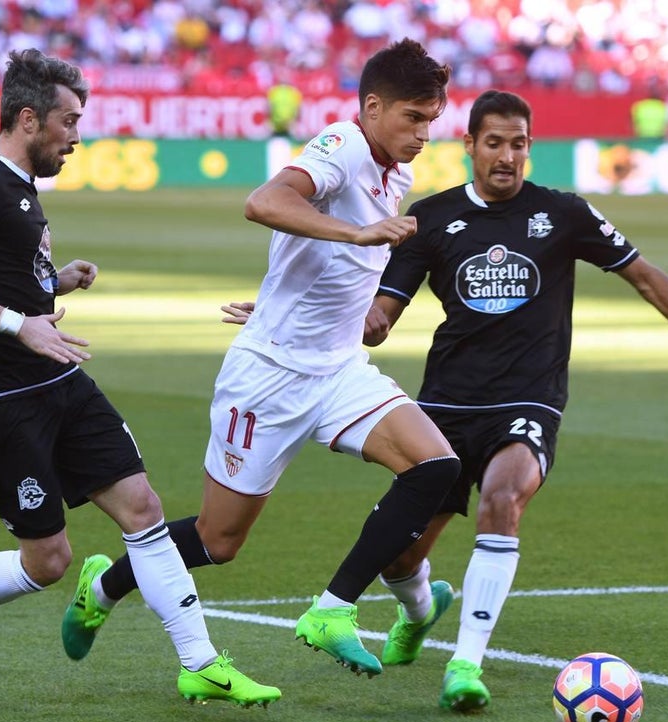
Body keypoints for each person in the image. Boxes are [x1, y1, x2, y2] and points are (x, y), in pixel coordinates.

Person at [361, 89, 668, 712]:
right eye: (494, 143)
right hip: (445, 404)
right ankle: (419, 610)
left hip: (530, 398)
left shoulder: (562, 213)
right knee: (397, 559)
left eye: (518, 144)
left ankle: (465, 664)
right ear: (469, 145)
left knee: (504, 498)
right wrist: (303, 318)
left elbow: (643, 274)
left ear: (530, 147)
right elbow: (379, 320)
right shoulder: (432, 218)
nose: (507, 156)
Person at [62, 38, 461, 680]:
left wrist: (292, 304)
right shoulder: (343, 144)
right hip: (270, 378)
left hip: (337, 369)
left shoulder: (397, 173)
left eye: (431, 120)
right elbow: (265, 203)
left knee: (436, 465)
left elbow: (331, 271)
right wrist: (356, 233)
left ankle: (332, 610)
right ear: (373, 107)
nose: (423, 134)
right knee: (218, 541)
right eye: (413, 118)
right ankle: (104, 586)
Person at [0, 49, 280, 708]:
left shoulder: (22, 190)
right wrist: (21, 324)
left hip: (59, 381)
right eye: (69, 121)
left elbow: (5, 276)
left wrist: (53, 280)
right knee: (49, 562)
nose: (76, 136)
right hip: (1, 403)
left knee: (143, 508)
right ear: (28, 119)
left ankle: (200, 662)